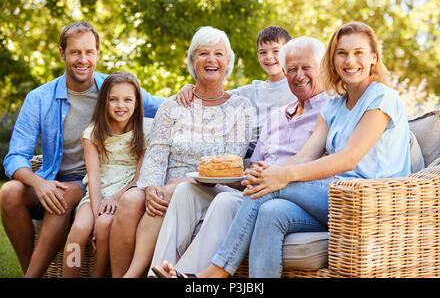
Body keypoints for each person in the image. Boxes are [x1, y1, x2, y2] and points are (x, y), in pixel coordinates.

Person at [155, 21, 411, 278]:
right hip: (334, 201)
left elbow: (349, 159)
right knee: (271, 212)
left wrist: (282, 177)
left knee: (266, 189)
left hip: (370, 200)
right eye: (342, 53)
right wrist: (264, 174)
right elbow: (304, 156)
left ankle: (210, 274)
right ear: (333, 61)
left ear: (374, 58)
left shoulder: (382, 97)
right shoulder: (333, 107)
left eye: (358, 53)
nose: (349, 60)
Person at [149, 36, 329, 277]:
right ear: (284, 73)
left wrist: (265, 178)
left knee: (224, 202)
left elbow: (325, 166)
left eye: (306, 68)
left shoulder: (330, 111)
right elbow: (252, 169)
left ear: (322, 69)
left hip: (290, 195)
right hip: (254, 190)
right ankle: (160, 272)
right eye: (292, 69)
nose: (298, 76)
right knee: (186, 191)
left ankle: (190, 276)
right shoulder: (276, 116)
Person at [0, 21, 165, 278]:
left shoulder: (112, 90)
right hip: (51, 177)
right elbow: (14, 158)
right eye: (75, 52)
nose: (83, 59)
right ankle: (30, 270)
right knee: (9, 192)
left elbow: (161, 105)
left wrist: (192, 91)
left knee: (61, 199)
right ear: (62, 53)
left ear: (98, 54)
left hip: (84, 182)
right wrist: (39, 183)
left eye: (89, 52)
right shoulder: (39, 98)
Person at [108, 26, 253, 278]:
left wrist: (184, 181)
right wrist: (151, 186)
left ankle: (143, 273)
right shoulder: (173, 104)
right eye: (203, 53)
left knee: (173, 192)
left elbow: (231, 162)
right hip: (166, 184)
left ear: (228, 62)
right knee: (134, 199)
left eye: (219, 54)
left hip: (214, 189)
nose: (211, 59)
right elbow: (156, 152)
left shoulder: (241, 107)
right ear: (191, 60)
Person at [61, 72, 152, 277]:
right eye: (113, 100)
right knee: (78, 231)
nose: (121, 105)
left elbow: (139, 178)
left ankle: (97, 275)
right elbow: (92, 177)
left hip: (125, 193)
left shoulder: (146, 131)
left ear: (137, 102)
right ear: (104, 102)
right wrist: (95, 214)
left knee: (104, 225)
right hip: (96, 195)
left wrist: (115, 198)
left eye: (128, 99)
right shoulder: (92, 133)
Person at [175, 26, 295, 161]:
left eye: (276, 51)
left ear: (288, 53)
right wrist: (189, 87)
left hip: (272, 152)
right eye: (262, 52)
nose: (269, 57)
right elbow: (212, 98)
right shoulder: (250, 91)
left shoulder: (296, 88)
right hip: (244, 152)